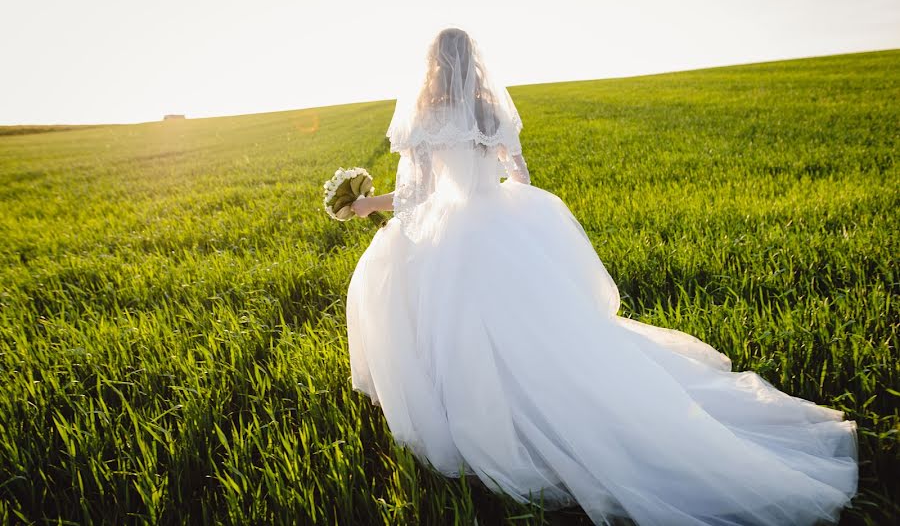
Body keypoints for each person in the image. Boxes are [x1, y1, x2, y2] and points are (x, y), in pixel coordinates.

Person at [345, 26, 858, 525]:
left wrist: (367, 205)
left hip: (455, 233)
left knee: (433, 316)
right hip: (499, 223)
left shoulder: (426, 114)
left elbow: (417, 197)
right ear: (473, 60)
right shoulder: (489, 106)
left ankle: (474, 420)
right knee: (543, 336)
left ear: (434, 63)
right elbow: (518, 173)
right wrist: (514, 206)